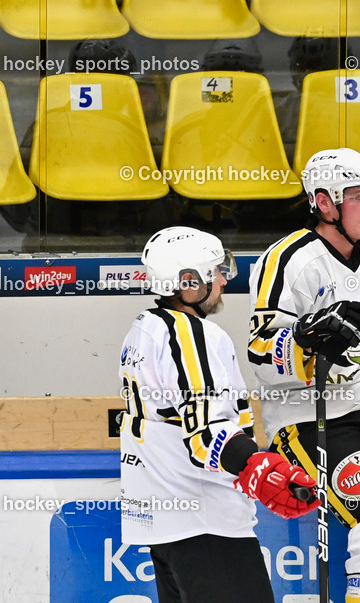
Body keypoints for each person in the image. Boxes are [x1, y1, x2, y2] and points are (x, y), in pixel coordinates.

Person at [248, 147, 360, 603]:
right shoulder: (290, 260)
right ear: (325, 202)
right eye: (356, 195)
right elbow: (258, 354)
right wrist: (306, 341)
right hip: (315, 418)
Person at [119, 226, 318, 602]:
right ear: (188, 283)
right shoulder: (193, 336)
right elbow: (206, 430)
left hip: (167, 529)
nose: (225, 279)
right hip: (207, 527)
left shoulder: (143, 330)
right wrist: (259, 467)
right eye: (216, 271)